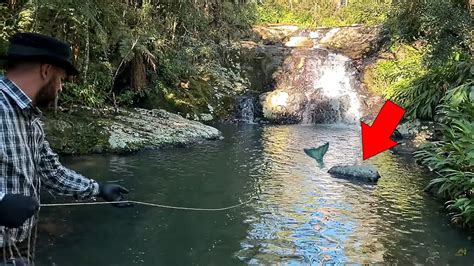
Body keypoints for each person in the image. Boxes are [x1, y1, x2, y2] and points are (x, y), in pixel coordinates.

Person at [0, 32, 130, 265]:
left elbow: (52, 172)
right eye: (61, 79)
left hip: (19, 247)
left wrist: (98, 189)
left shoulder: (31, 119)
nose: (60, 88)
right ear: (46, 71)